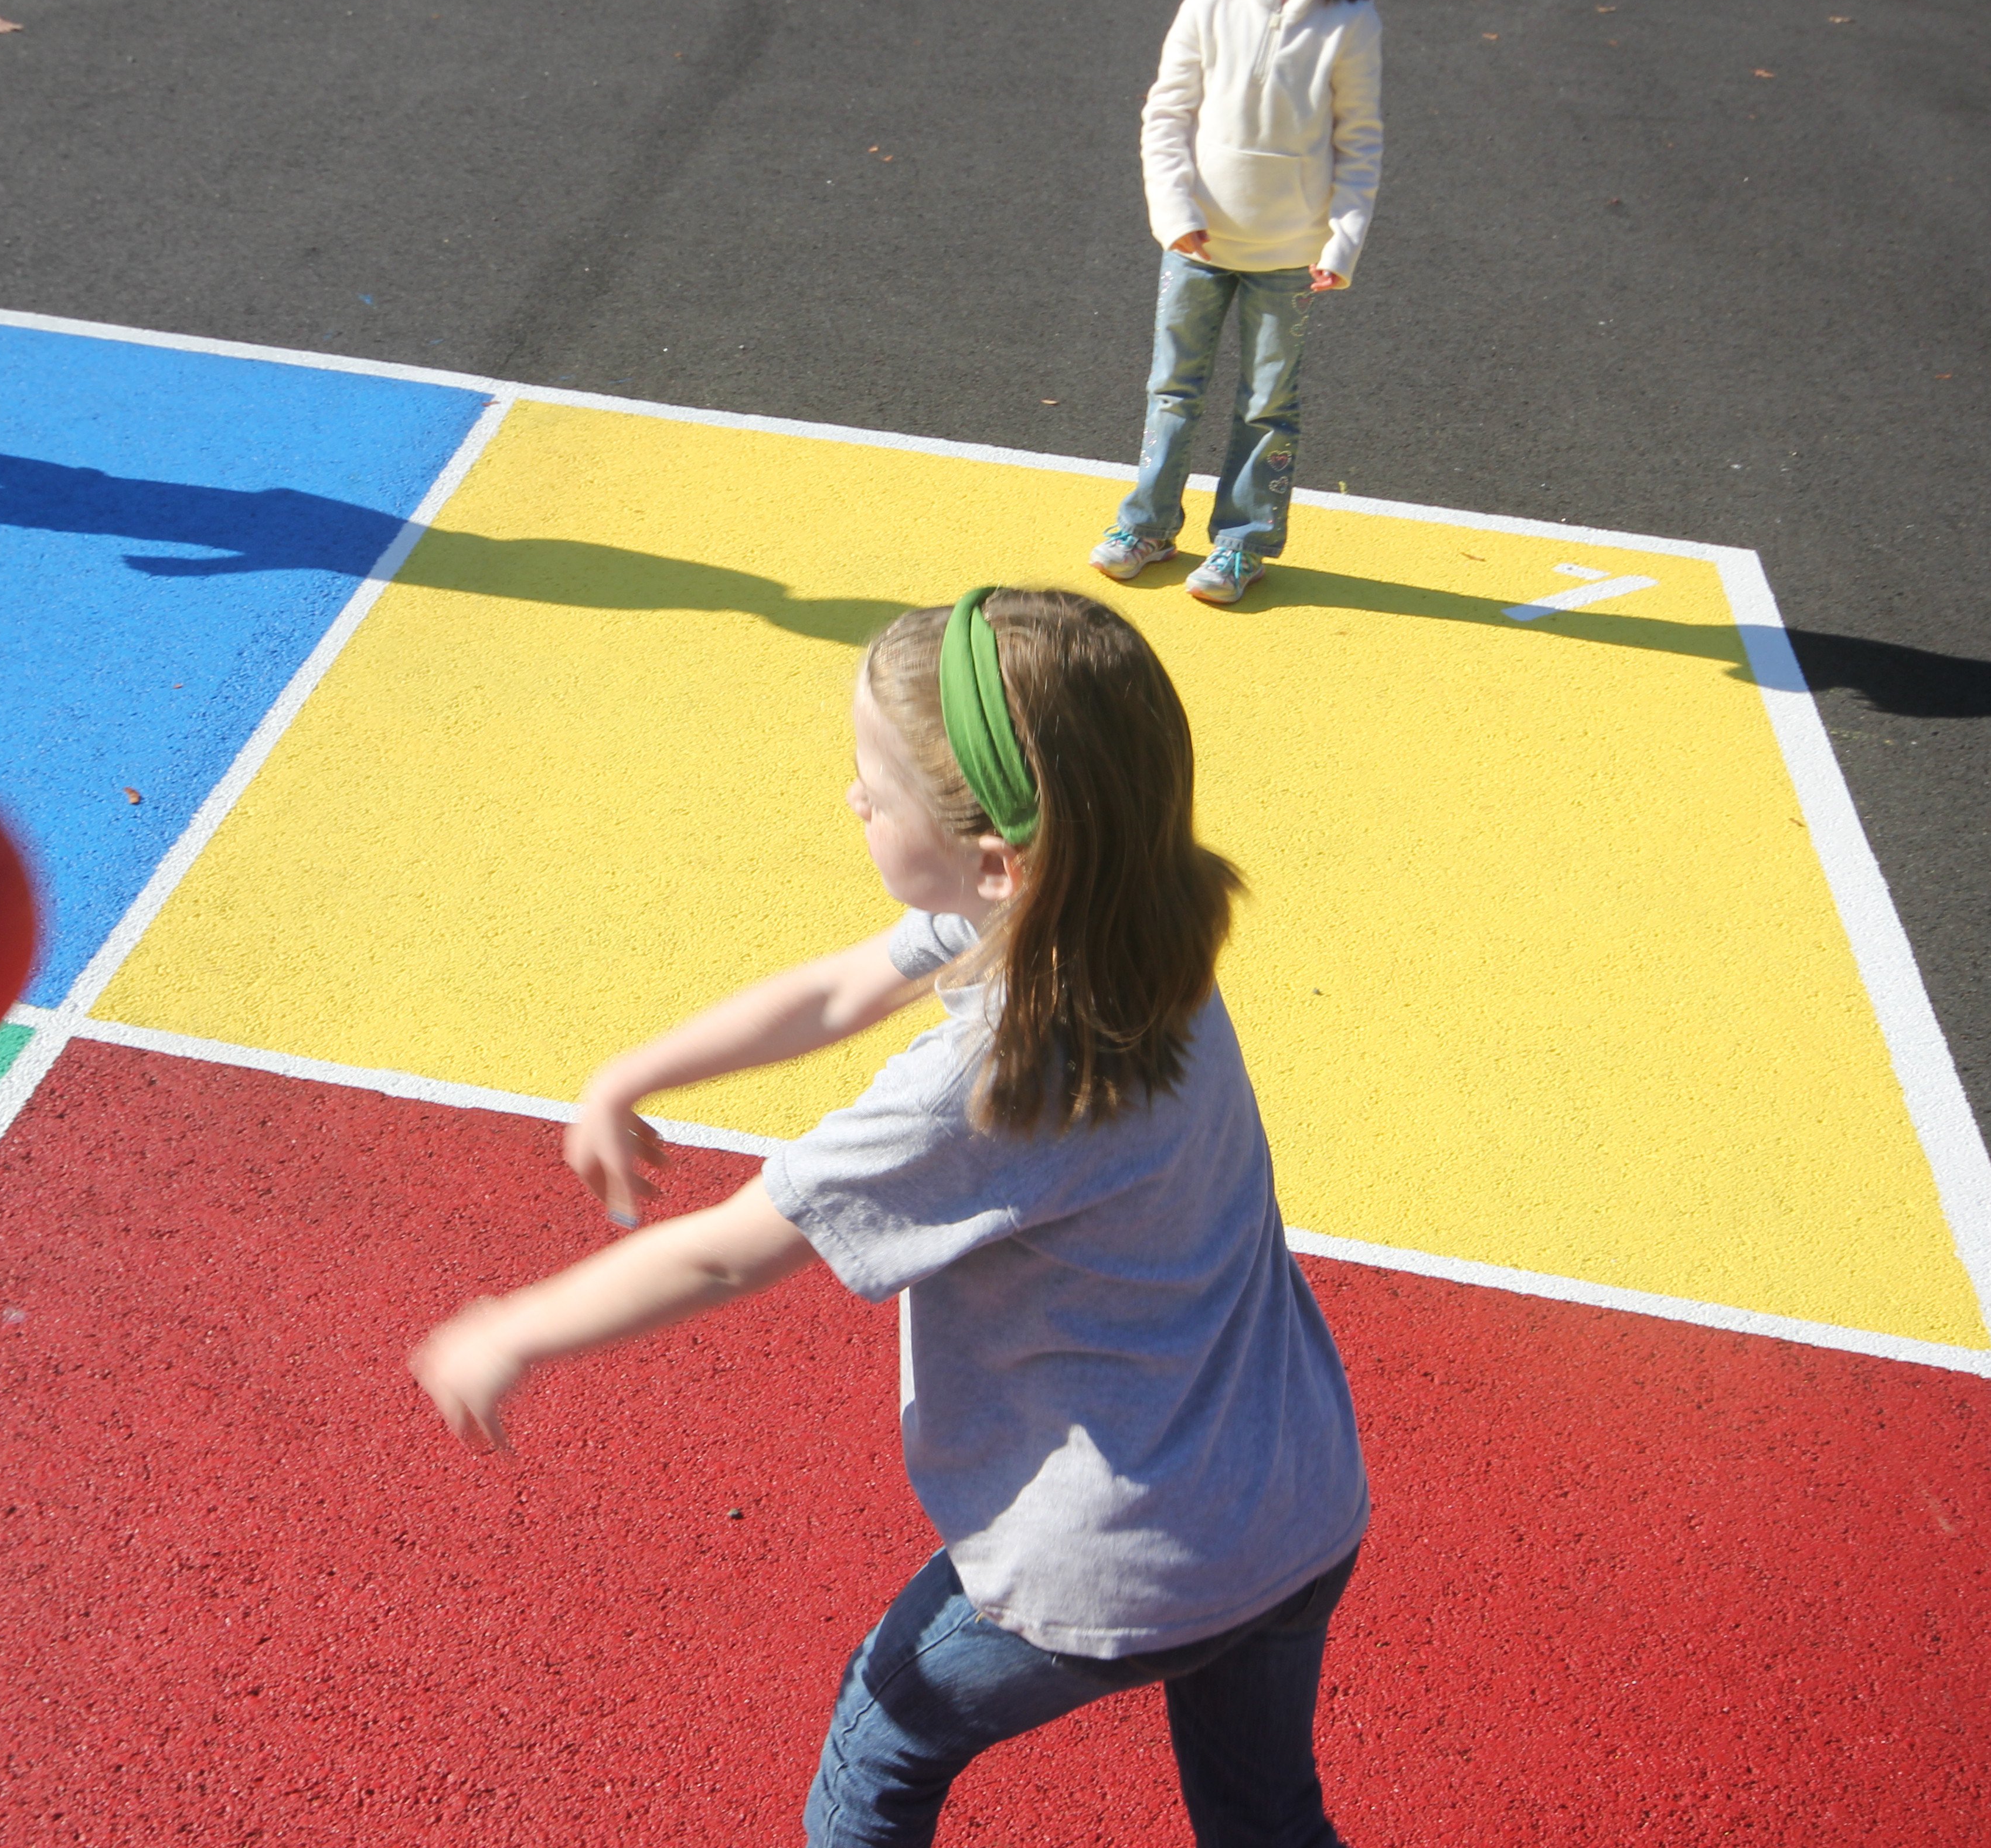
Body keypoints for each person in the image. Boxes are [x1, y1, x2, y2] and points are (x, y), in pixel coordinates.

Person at [412, 588, 1370, 1848]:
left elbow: (724, 1250)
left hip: (1124, 1558)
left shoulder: (995, 1082)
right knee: (1263, 1814)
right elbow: (841, 987)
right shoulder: (1135, 920)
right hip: (1295, 1501)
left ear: (994, 858)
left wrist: (514, 1328)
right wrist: (633, 1073)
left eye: (874, 782)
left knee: (884, 1741)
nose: (852, 800)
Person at [1091, 0, 1383, 606]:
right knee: (1173, 388)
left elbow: (1360, 143)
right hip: (1197, 242)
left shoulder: (1351, 22)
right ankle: (1148, 525)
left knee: (1266, 403)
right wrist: (1174, 210)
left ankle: (1243, 542)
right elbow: (1166, 113)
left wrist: (1342, 241)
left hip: (1289, 253)